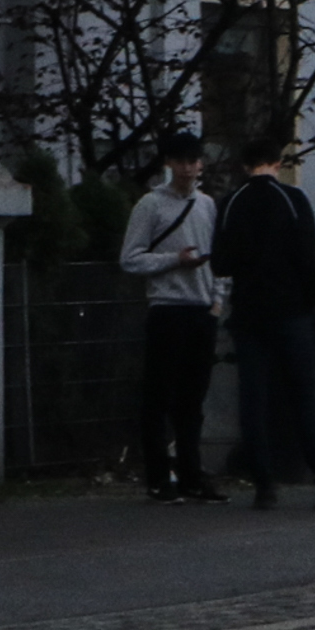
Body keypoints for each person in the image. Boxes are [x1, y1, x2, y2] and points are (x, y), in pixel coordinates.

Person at [209, 137, 315, 511]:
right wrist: (307, 298)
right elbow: (310, 257)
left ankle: (264, 485)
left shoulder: (231, 204)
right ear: (276, 163)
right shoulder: (292, 200)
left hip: (249, 314)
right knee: (304, 396)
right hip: (289, 312)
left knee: (253, 400)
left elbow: (220, 262)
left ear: (244, 165)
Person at [119, 130, 224, 504]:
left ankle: (193, 475)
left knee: (192, 400)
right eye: (180, 161)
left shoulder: (208, 205)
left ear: (201, 164)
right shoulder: (151, 205)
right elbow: (130, 258)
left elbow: (219, 259)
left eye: (193, 161)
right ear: (168, 163)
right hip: (167, 309)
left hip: (201, 310)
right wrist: (174, 260)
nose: (188, 168)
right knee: (159, 396)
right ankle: (158, 477)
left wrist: (216, 302)